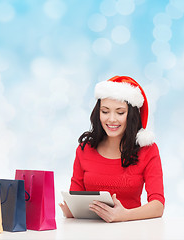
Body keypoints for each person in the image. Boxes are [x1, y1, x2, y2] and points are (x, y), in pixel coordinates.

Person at [59, 76, 165, 223]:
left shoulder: (148, 150)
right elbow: (75, 196)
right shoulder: (85, 149)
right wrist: (71, 211)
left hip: (130, 231)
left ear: (131, 115)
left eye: (120, 112)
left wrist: (124, 216)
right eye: (105, 111)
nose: (111, 119)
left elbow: (158, 206)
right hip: (89, 232)